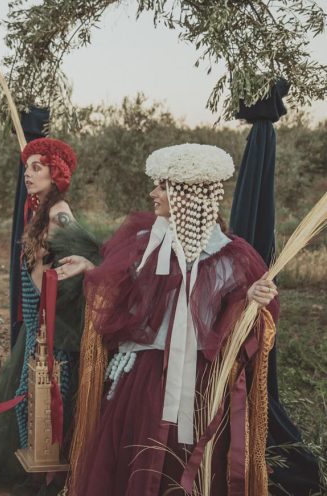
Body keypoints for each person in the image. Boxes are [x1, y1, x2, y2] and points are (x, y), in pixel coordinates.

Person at [63, 143, 278, 495]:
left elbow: (238, 333)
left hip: (198, 385)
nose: (153, 193)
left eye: (162, 186)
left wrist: (251, 301)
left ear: (188, 194)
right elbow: (122, 295)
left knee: (186, 463)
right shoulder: (146, 244)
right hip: (145, 377)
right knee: (135, 457)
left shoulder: (231, 259)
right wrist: (90, 268)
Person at [0, 138, 96, 493]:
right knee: (28, 404)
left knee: (47, 407)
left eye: (37, 167)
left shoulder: (60, 213)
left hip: (55, 331)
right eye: (27, 168)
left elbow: (88, 258)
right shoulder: (39, 212)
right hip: (37, 326)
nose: (28, 174)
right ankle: (39, 476)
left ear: (56, 173)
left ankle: (51, 481)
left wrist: (60, 281)